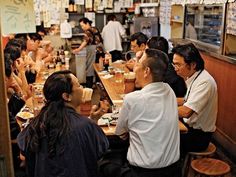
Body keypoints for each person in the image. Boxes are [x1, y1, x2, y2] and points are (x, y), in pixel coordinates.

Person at [17, 70, 109, 177]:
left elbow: (23, 156)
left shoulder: (36, 123)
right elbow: (100, 150)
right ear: (66, 96)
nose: (82, 89)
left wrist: (93, 119)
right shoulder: (86, 125)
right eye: (79, 85)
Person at [115, 49, 180, 177]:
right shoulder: (169, 91)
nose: (134, 66)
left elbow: (120, 132)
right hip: (174, 170)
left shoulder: (132, 99)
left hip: (142, 172)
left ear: (146, 71)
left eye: (138, 63)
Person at [172, 43, 218, 155]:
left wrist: (160, 108)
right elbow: (185, 100)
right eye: (174, 64)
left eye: (178, 65)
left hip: (198, 137)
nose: (175, 69)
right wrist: (163, 99)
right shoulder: (194, 76)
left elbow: (186, 111)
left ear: (192, 65)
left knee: (161, 138)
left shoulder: (204, 82)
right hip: (190, 128)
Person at [73, 17, 103, 88]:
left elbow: (85, 41)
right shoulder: (95, 29)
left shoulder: (88, 31)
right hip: (100, 50)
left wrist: (78, 49)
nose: (82, 27)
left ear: (87, 23)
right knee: (99, 68)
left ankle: (89, 87)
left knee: (89, 68)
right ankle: (99, 85)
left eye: (83, 25)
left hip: (93, 50)